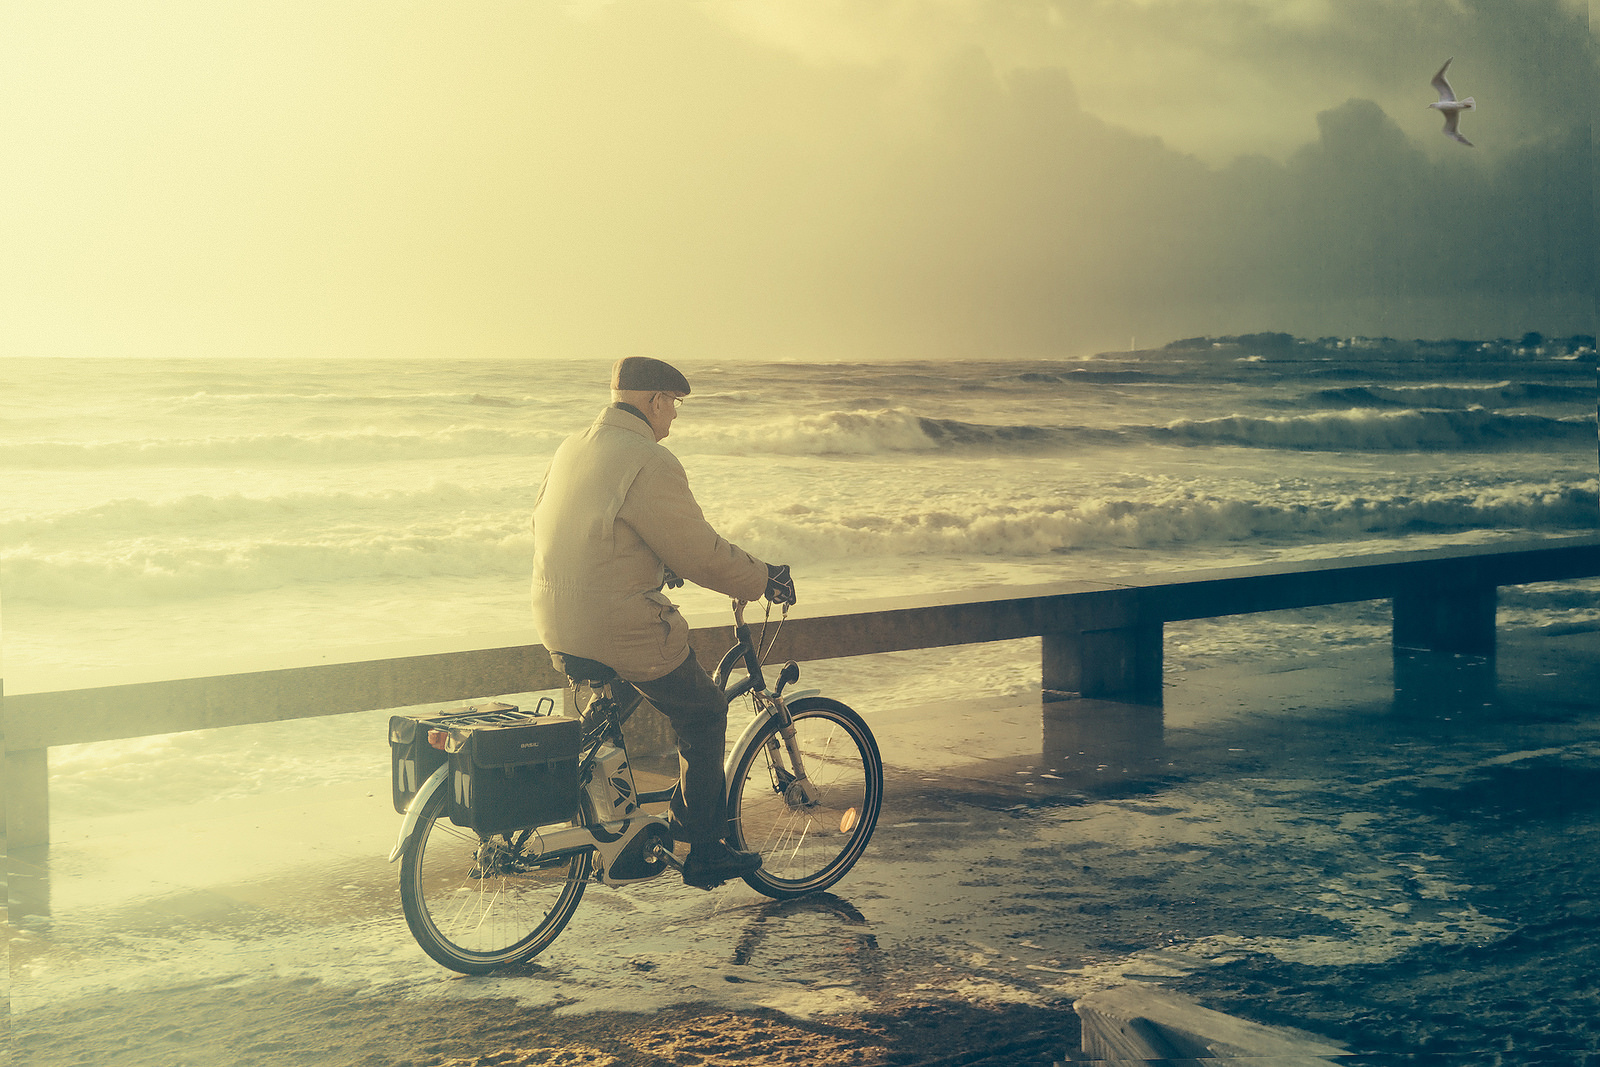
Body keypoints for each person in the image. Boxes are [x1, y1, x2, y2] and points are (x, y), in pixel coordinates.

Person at [529, 356, 798, 889]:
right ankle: (704, 850)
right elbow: (703, 553)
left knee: (607, 724)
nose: (674, 417)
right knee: (702, 713)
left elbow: (580, 528)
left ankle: (622, 832)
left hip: (556, 617)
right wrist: (763, 577)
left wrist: (653, 562)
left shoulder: (574, 446)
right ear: (654, 401)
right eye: (673, 405)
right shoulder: (650, 460)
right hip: (615, 625)